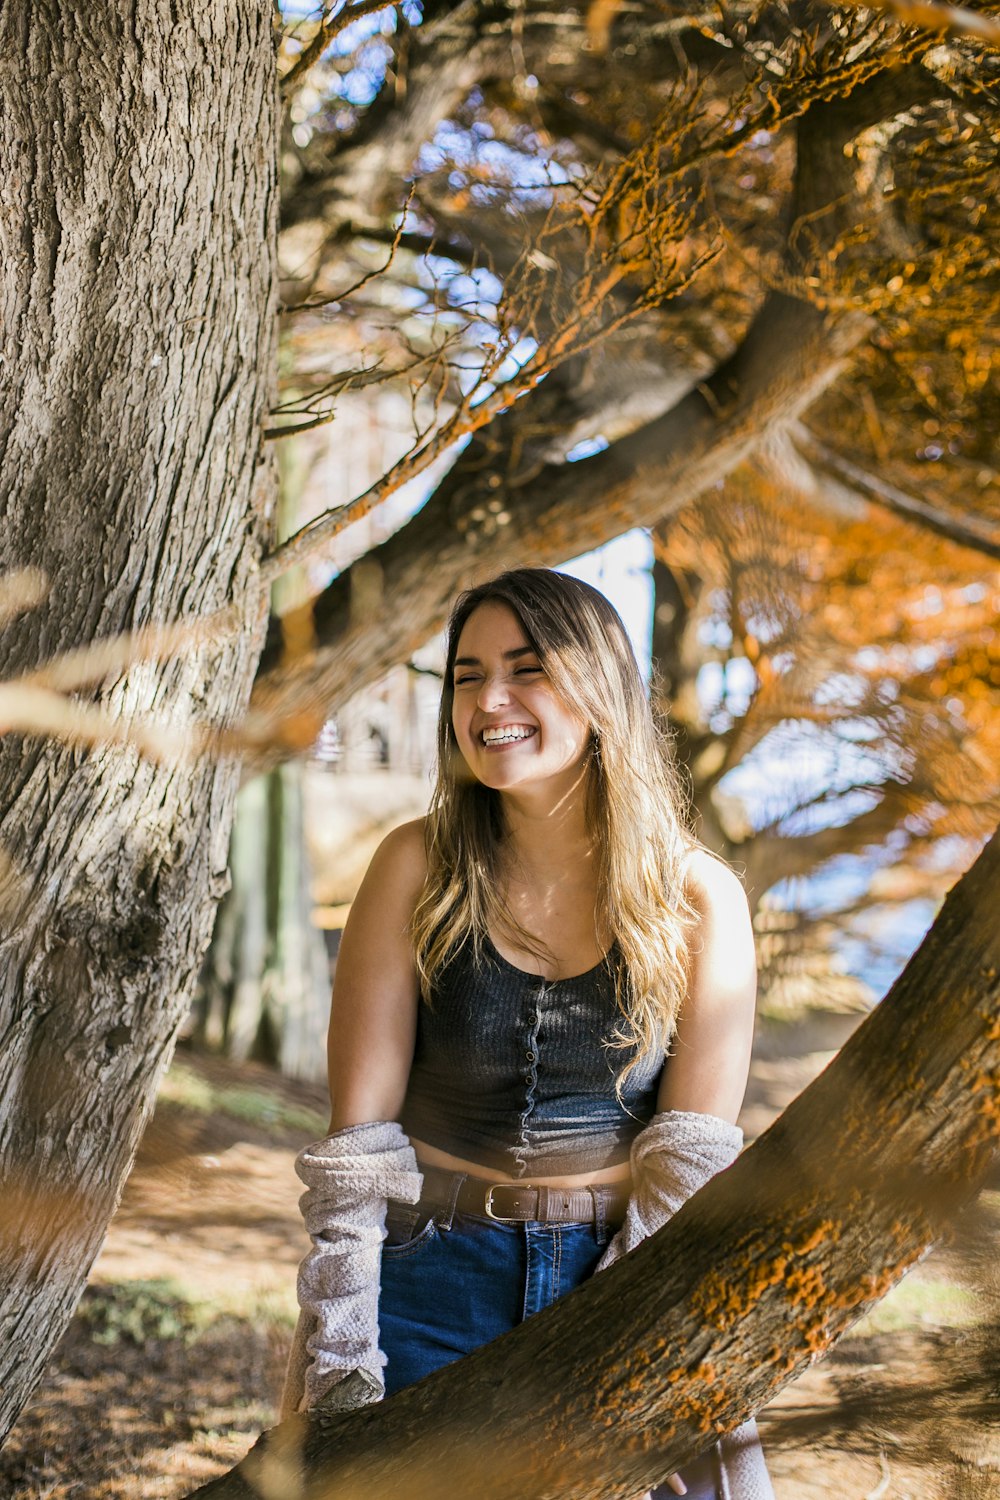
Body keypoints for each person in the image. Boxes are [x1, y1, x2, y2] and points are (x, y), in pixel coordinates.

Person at [281, 567, 773, 1500]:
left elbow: (692, 1158)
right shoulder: (414, 867)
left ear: (598, 690)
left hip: (617, 1276)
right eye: (467, 675)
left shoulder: (698, 897)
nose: (488, 700)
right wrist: (345, 1336)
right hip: (427, 1283)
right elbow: (355, 1145)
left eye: (525, 668)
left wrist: (629, 1327)